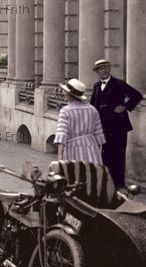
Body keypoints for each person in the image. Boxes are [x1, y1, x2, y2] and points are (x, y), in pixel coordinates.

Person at [90, 59, 143, 189]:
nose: (105, 70)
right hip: (103, 127)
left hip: (118, 126)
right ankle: (107, 182)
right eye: (101, 68)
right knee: (105, 154)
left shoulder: (119, 84)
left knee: (118, 155)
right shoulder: (97, 86)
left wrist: (125, 107)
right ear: (97, 72)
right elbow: (93, 105)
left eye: (106, 67)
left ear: (110, 69)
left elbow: (137, 95)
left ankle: (119, 183)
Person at [54, 78, 105, 164]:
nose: (63, 93)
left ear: (70, 94)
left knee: (76, 174)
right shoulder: (92, 110)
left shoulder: (65, 111)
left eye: (65, 91)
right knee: (90, 175)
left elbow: (62, 135)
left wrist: (59, 158)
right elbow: (99, 135)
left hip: (73, 151)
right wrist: (97, 155)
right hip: (92, 150)